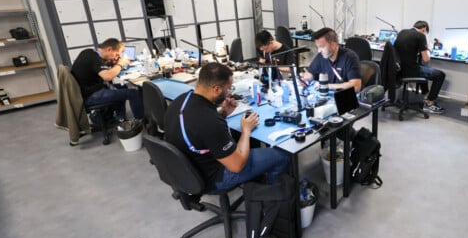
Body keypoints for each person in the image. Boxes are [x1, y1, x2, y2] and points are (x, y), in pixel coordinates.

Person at [164, 62, 290, 190]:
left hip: (185, 170)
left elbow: (200, 133)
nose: (229, 92)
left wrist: (223, 113)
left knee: (244, 141)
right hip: (212, 178)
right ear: (217, 89)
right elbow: (237, 166)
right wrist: (246, 130)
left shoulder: (181, 100)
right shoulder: (210, 121)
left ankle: (258, 177)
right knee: (282, 156)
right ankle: (270, 196)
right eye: (228, 88)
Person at [70, 38, 144, 121]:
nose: (116, 57)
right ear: (109, 49)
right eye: (116, 54)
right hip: (90, 96)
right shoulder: (93, 57)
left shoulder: (90, 53)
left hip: (89, 91)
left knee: (123, 88)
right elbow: (108, 76)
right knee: (133, 93)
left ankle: (121, 118)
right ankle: (140, 121)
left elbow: (102, 69)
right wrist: (120, 63)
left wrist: (114, 63)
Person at [394, 20, 446, 114]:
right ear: (424, 29)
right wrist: (428, 49)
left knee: (422, 67)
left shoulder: (402, 32)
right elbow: (426, 59)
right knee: (440, 75)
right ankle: (430, 104)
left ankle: (425, 94)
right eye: (425, 32)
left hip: (398, 69)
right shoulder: (421, 36)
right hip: (409, 70)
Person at [300, 27, 361, 93]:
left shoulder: (350, 57)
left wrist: (328, 86)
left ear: (333, 45)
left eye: (322, 47)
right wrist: (305, 80)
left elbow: (356, 86)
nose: (319, 51)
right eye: (318, 47)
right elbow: (310, 73)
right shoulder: (321, 56)